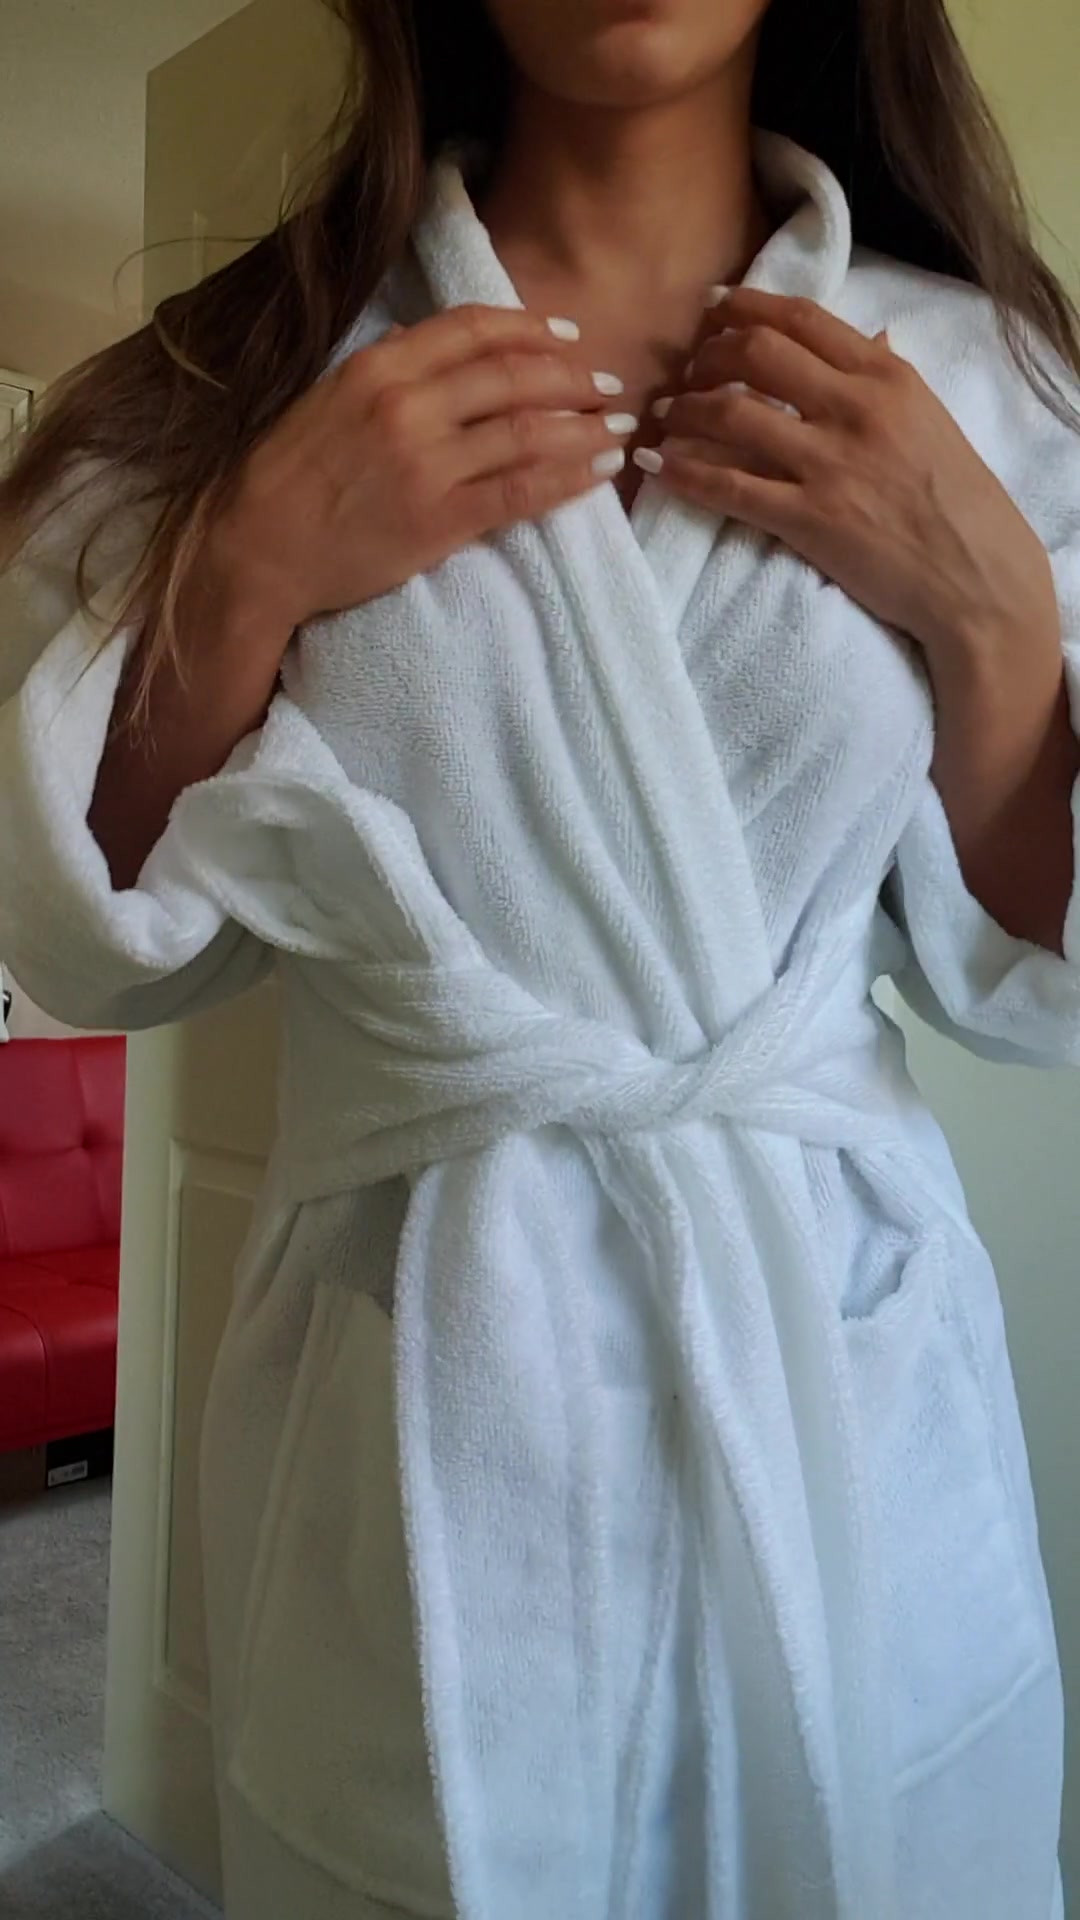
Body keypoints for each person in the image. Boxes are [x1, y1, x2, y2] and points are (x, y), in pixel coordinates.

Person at [2, 0, 1079, 1913]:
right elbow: (87, 941)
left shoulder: (984, 382)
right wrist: (249, 572)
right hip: (426, 1403)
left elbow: (1043, 973)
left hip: (844, 1387)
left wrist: (993, 625)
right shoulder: (251, 382)